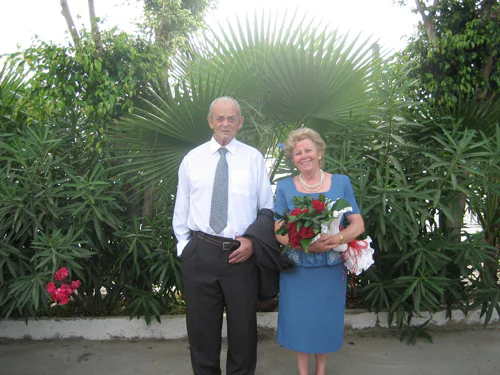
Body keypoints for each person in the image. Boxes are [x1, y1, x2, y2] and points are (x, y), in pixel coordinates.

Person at [173, 96, 274, 375]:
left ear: (240, 122)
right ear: (210, 121)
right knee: (201, 332)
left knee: (243, 334)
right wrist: (185, 247)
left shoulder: (253, 158)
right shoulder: (192, 160)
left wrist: (253, 241)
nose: (226, 124)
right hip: (200, 252)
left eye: (232, 118)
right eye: (220, 118)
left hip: (240, 255)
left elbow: (267, 207)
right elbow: (181, 208)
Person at [274, 127, 365, 375]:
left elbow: (357, 224)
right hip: (298, 271)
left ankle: (320, 371)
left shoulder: (341, 183)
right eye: (297, 153)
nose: (303, 156)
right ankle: (304, 372)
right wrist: (305, 244)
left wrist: (336, 238)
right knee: (300, 322)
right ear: (292, 158)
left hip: (330, 269)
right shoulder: (284, 187)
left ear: (320, 152)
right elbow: (279, 231)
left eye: (308, 150)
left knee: (324, 321)